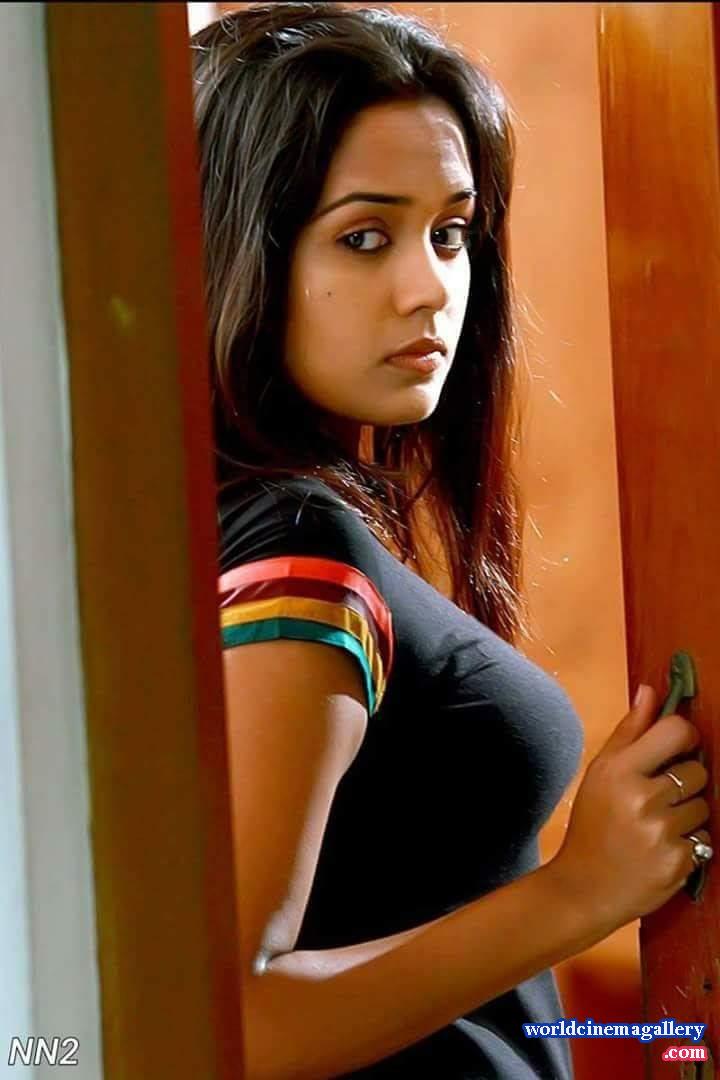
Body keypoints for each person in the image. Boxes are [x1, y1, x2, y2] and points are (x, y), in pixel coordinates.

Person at [190, 5, 712, 1078]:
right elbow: (230, 1024)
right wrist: (582, 891)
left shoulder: (265, 525)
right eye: (364, 237)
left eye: (452, 232)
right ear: (234, 245)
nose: (432, 286)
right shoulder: (296, 543)